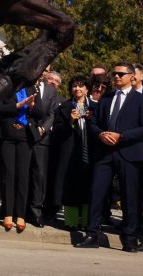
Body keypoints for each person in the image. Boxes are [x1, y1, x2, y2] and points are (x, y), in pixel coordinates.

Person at [77, 63, 143, 252]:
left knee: (130, 197)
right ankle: (92, 234)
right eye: (115, 74)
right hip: (104, 153)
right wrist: (100, 134)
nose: (116, 77)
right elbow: (93, 121)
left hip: (129, 153)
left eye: (121, 74)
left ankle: (129, 238)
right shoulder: (106, 98)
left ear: (132, 77)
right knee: (97, 193)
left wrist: (122, 136)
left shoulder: (142, 99)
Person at [51, 75, 93, 231]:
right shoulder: (64, 107)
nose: (78, 89)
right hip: (69, 151)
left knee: (88, 186)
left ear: (87, 89)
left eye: (81, 86)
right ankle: (71, 222)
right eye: (74, 86)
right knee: (70, 186)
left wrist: (91, 120)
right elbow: (56, 131)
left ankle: (87, 222)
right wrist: (70, 121)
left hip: (89, 150)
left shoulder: (94, 106)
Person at [0, 89, 35, 233]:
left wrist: (32, 106)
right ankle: (8, 213)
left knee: (23, 176)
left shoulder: (32, 88)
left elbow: (41, 111)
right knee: (8, 175)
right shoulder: (6, 86)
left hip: (25, 136)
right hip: (7, 135)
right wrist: (17, 105)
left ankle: (21, 215)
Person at [27, 71, 60, 228]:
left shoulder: (51, 91)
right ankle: (19, 210)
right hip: (25, 134)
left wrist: (43, 129)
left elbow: (52, 113)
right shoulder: (26, 86)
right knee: (23, 173)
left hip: (42, 137)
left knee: (39, 175)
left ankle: (36, 212)